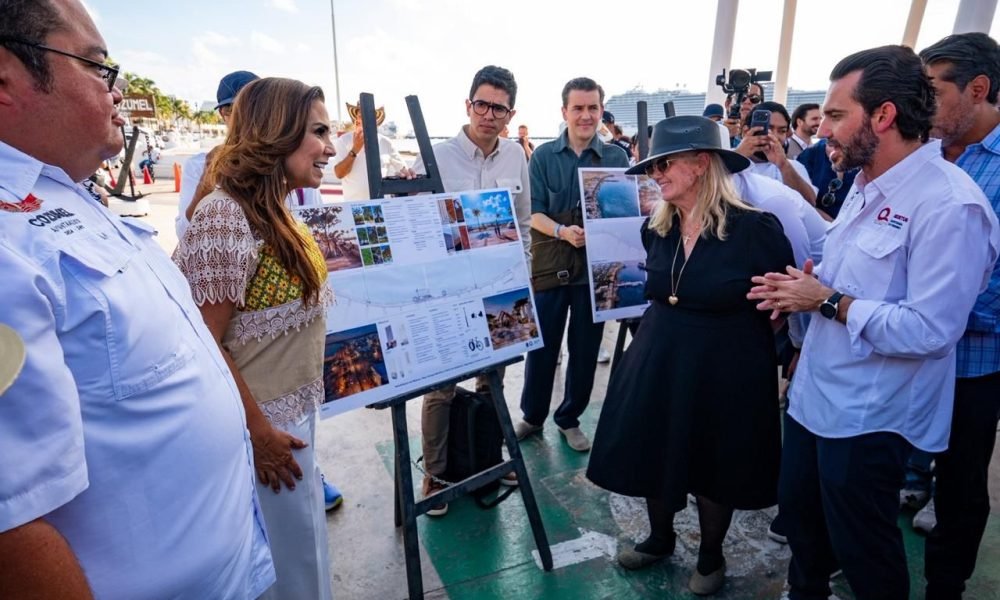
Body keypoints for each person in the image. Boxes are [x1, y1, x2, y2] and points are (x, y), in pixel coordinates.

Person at [0, 1, 275, 598]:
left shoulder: (63, 193)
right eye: (97, 65)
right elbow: (12, 524)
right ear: (6, 78)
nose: (118, 88)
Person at [748, 45, 999, 600]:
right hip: (817, 399)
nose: (823, 130)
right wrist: (805, 288)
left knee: (865, 553)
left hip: (869, 419)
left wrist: (827, 299)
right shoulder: (864, 184)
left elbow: (932, 330)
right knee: (806, 537)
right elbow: (850, 281)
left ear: (883, 116)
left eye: (836, 116)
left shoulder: (950, 205)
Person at [587, 115, 794, 596]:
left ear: (702, 164)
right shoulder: (656, 228)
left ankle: (710, 557)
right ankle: (659, 538)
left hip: (726, 365)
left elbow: (780, 304)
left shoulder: (755, 229)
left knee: (714, 460)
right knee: (657, 447)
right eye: (653, 166)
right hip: (660, 354)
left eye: (665, 164)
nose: (655, 175)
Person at [173, 77, 336, 599]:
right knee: (283, 567)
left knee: (305, 551)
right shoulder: (224, 216)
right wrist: (260, 434)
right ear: (278, 133)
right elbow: (202, 342)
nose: (331, 146)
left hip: (291, 420)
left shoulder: (279, 206)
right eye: (318, 131)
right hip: (261, 431)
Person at [412, 65, 531, 516]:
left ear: (510, 113)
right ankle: (436, 475)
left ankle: (490, 459)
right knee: (440, 386)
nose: (488, 114)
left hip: (497, 286)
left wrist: (523, 274)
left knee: (492, 380)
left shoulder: (516, 156)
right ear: (468, 105)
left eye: (498, 108)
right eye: (481, 104)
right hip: (446, 289)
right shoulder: (437, 156)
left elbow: (522, 220)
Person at [919, 32, 1000, 599]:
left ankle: (945, 584)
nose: (923, 106)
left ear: (978, 89)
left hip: (973, 361)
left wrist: (923, 310)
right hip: (903, 352)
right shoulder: (923, 155)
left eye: (933, 91)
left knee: (960, 481)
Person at [514, 77, 629, 452]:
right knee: (542, 347)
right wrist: (564, 231)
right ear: (564, 112)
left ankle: (569, 417)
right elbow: (534, 214)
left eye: (592, 108)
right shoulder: (544, 156)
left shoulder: (616, 158)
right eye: (577, 108)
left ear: (601, 110)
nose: (585, 115)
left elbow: (625, 211)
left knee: (585, 349)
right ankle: (533, 416)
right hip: (550, 265)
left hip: (594, 273)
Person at [734, 101, 818, 205]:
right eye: (768, 129)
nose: (775, 136)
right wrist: (737, 157)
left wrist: (783, 165)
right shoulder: (723, 159)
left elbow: (811, 203)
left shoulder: (793, 167)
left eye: (782, 131)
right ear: (747, 131)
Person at [332, 101, 413, 201]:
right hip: (355, 208)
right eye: (360, 116)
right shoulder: (344, 141)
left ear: (376, 121)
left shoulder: (385, 142)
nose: (362, 119)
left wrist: (409, 174)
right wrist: (355, 150)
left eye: (368, 116)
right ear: (356, 119)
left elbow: (403, 170)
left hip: (382, 206)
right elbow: (339, 173)